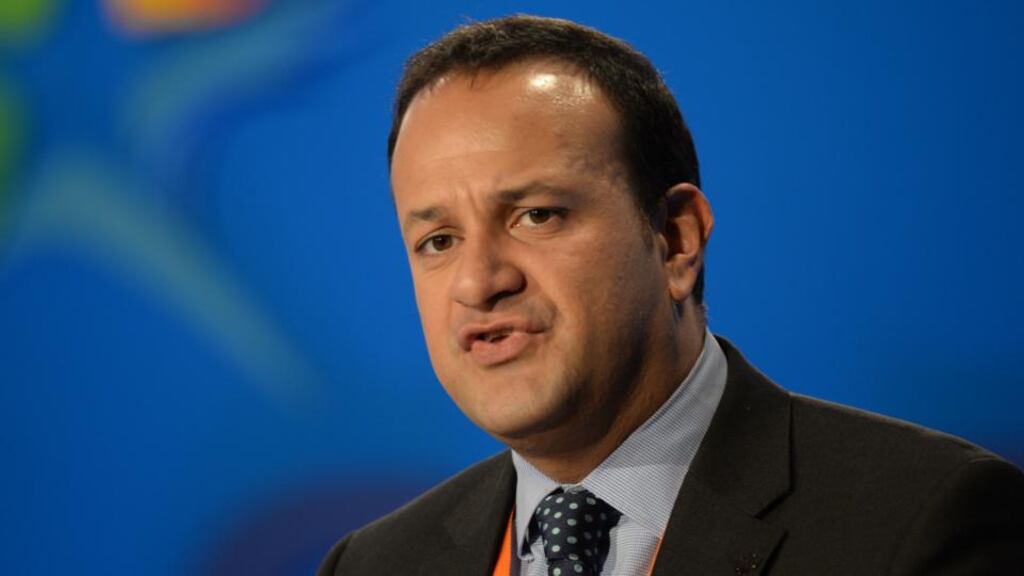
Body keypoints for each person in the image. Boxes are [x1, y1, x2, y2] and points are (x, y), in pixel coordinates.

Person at [318, 15, 1024, 575]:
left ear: (676, 240)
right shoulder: (375, 564)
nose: (479, 282)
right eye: (438, 241)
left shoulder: (921, 520)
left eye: (537, 214)